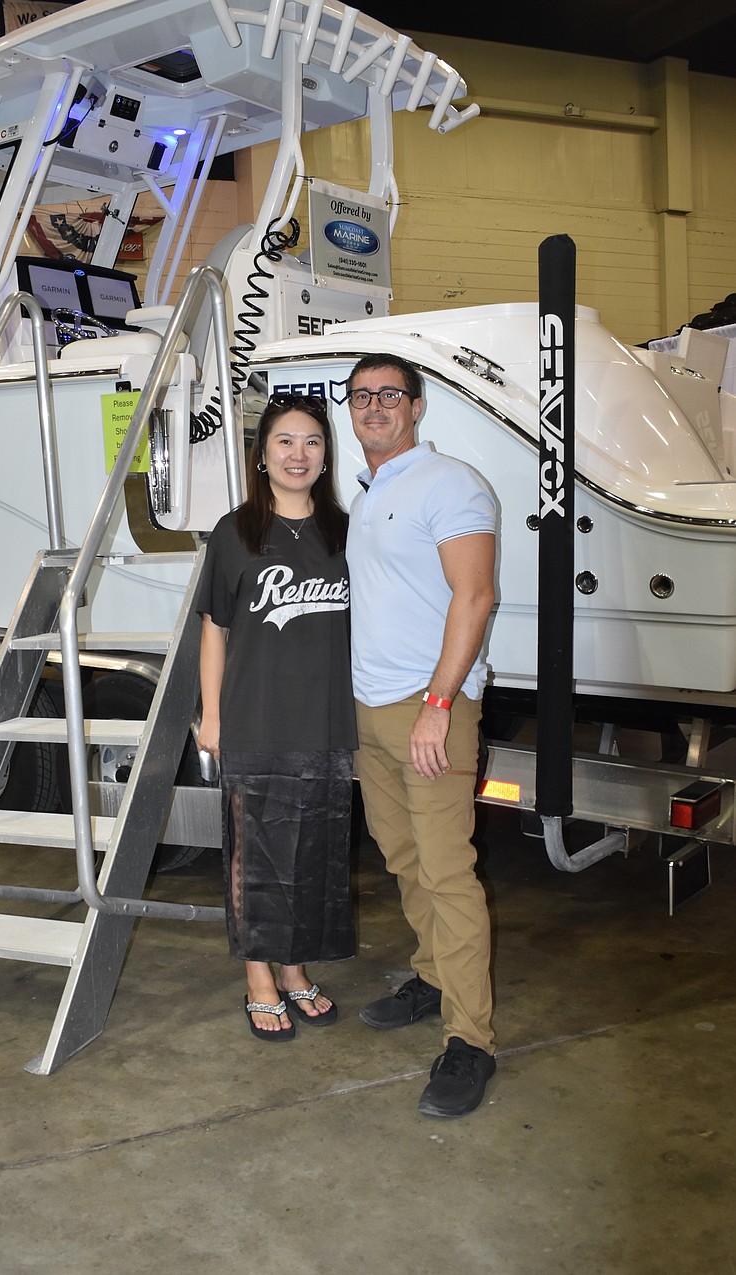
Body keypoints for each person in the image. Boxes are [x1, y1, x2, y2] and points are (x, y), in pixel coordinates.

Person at [345, 352, 498, 1116]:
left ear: (417, 404)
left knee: (446, 871)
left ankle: (471, 1040)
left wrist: (440, 700)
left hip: (428, 709)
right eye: (361, 395)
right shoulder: (370, 491)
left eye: (388, 395)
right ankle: (433, 974)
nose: (374, 406)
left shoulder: (452, 483)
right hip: (372, 711)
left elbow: (476, 594)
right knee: (402, 855)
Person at [196, 393, 357, 1041]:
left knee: (315, 853)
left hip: (326, 725)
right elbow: (215, 630)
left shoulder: (347, 532)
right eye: (284, 441)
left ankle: (294, 966)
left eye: (312, 441)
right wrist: (211, 715)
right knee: (257, 857)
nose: (298, 453)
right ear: (261, 455)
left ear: (326, 456)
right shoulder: (234, 533)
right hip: (256, 720)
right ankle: (259, 975)